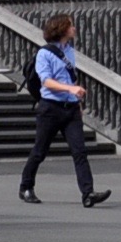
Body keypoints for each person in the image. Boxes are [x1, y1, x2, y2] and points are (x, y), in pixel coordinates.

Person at [18, 13, 108, 208]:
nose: (74, 28)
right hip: (50, 108)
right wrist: (70, 89)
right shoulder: (44, 54)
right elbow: (46, 81)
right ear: (61, 29)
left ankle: (88, 193)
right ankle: (26, 187)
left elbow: (70, 79)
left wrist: (77, 102)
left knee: (80, 151)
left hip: (71, 109)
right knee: (40, 151)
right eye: (71, 25)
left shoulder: (70, 51)